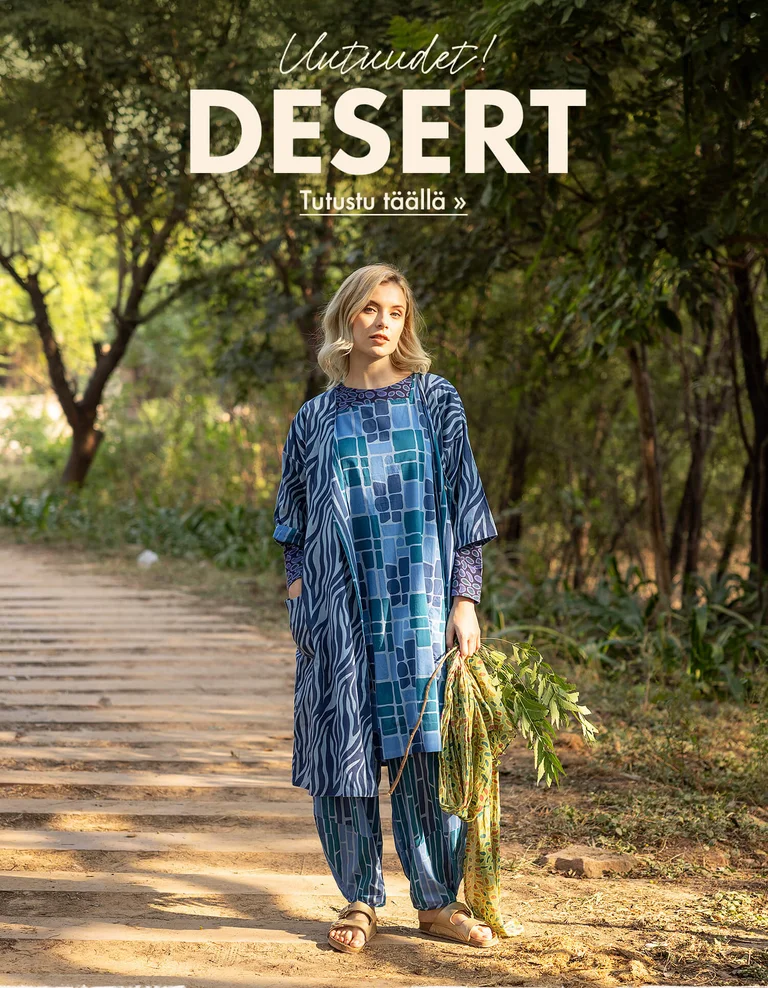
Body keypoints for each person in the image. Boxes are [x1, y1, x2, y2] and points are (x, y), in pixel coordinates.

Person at [272, 263, 500, 953]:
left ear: (406, 324)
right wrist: (299, 591)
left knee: (426, 755)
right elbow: (293, 520)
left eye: (394, 312)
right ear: (345, 318)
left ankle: (436, 903)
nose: (381, 322)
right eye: (369, 309)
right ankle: (360, 898)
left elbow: (466, 507)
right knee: (343, 757)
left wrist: (465, 601)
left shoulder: (436, 401)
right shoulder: (314, 419)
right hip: (338, 612)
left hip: (418, 609)